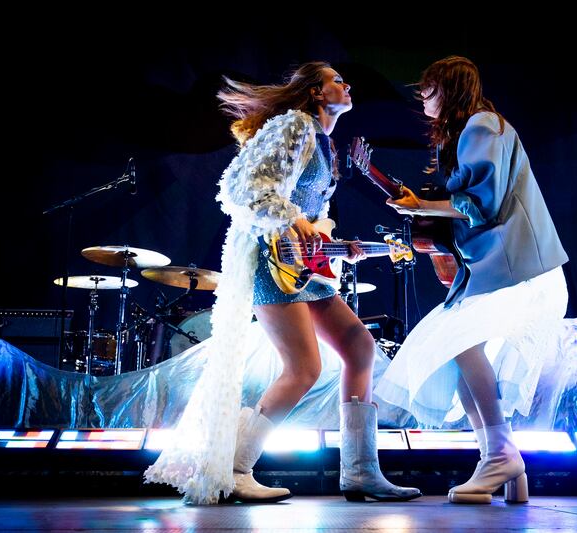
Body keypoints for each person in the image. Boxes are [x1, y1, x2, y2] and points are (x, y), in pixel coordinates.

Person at [145, 61, 420, 504]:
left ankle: (361, 473)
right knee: (304, 368)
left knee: (360, 348)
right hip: (269, 263)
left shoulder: (326, 143)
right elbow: (240, 187)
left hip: (301, 267)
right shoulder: (294, 125)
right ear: (315, 92)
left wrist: (329, 238)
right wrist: (295, 220)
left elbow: (306, 213)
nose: (346, 86)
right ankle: (235, 468)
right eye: (336, 81)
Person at [375, 56, 569, 504]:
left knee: (458, 342)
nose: (422, 97)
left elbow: (480, 203)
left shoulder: (481, 125)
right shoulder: (482, 127)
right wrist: (423, 205)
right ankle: (504, 462)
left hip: (516, 265)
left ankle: (499, 455)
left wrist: (420, 207)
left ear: (447, 89)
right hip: (505, 265)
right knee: (459, 348)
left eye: (428, 88)